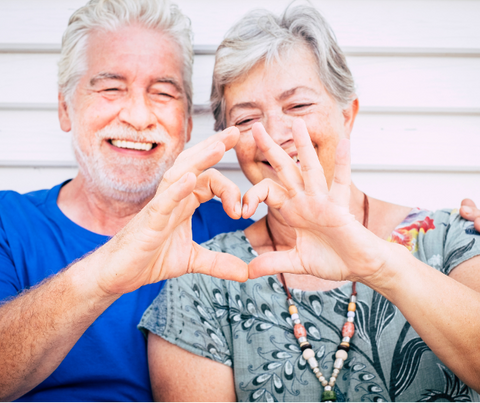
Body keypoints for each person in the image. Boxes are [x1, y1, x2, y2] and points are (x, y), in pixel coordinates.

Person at [140, 5, 480, 402]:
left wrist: (380, 264)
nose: (275, 135)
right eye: (248, 119)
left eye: (298, 106)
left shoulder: (453, 237)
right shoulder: (204, 279)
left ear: (347, 115)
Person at [0, 0, 253, 401]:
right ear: (66, 107)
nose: (138, 116)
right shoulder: (8, 224)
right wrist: (108, 269)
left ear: (188, 122)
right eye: (111, 87)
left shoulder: (236, 236)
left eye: (163, 92)